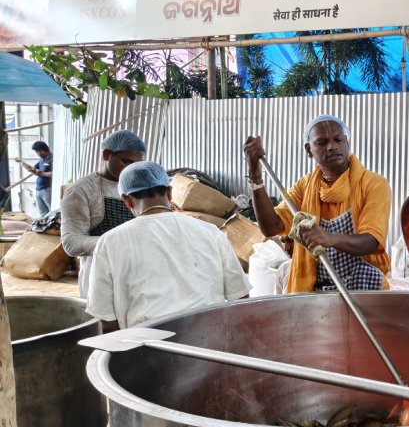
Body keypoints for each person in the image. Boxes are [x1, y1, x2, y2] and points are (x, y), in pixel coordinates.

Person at [86, 162, 250, 330]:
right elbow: (240, 297)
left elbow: (105, 319)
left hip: (147, 347)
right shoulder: (210, 232)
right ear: (170, 193)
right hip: (207, 343)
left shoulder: (110, 242)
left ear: (127, 201)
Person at [243, 115, 391, 293]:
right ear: (308, 150)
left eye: (338, 140)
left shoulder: (373, 184)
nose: (332, 146)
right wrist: (255, 175)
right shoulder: (304, 187)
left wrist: (329, 238)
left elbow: (371, 241)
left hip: (364, 290)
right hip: (315, 292)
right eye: (322, 142)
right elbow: (271, 227)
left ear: (347, 143)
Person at [61, 130, 147, 298]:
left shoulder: (141, 187)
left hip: (137, 273)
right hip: (100, 276)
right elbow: (71, 243)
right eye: (126, 162)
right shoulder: (81, 191)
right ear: (107, 155)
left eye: (136, 164)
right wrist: (118, 242)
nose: (131, 169)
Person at [18, 141, 53, 216]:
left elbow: (55, 174)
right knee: (43, 213)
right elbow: (32, 169)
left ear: (42, 151)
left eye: (37, 152)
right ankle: (45, 226)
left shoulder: (52, 159)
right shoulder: (42, 160)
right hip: (38, 190)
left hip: (47, 189)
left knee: (52, 211)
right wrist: (23, 163)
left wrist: (41, 173)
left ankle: (55, 226)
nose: (37, 154)